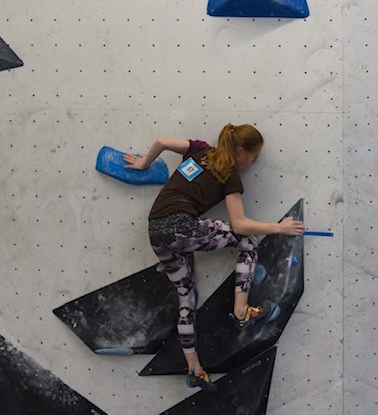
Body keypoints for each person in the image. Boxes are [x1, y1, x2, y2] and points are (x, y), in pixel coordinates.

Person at [124, 123, 304, 392]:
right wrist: (279, 228)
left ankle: (195, 368)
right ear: (240, 151)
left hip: (157, 232)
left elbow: (161, 140)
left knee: (187, 298)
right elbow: (240, 224)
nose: (252, 163)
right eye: (252, 157)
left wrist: (143, 164)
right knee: (247, 241)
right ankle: (241, 311)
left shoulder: (199, 150)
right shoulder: (231, 175)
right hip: (182, 226)